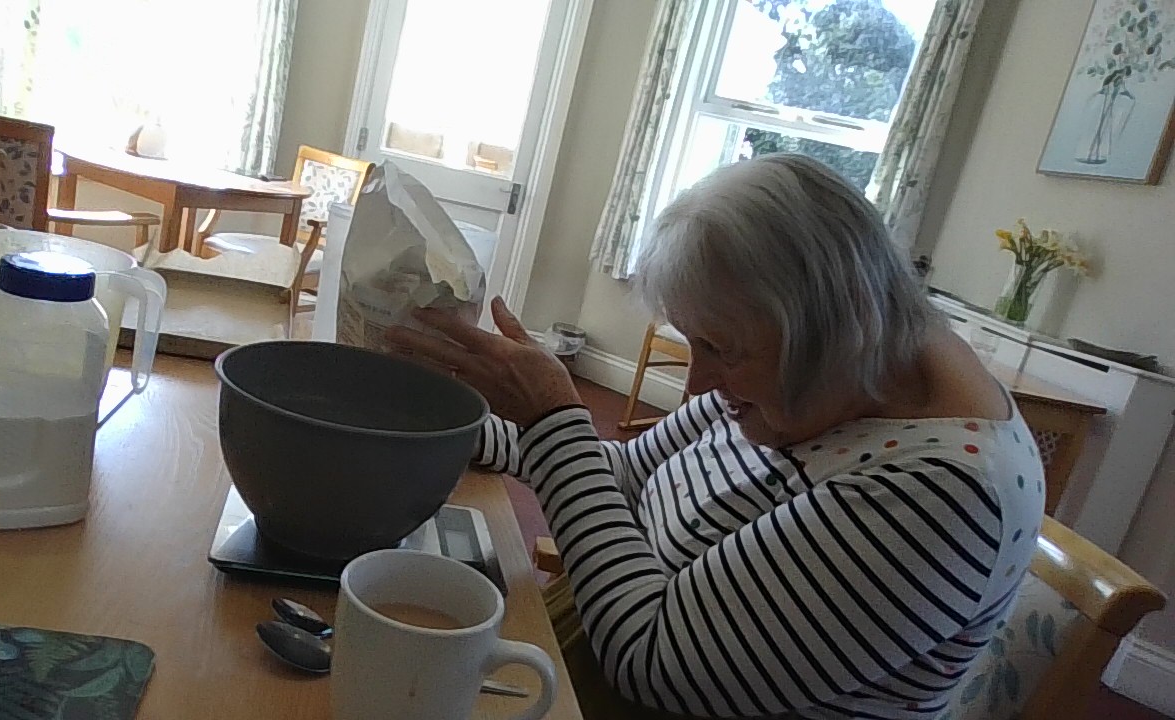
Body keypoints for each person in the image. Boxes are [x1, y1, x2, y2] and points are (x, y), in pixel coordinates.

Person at [387, 153, 1044, 719]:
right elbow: (624, 475)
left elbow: (652, 659)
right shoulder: (816, 384)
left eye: (720, 348)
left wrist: (556, 418)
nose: (698, 384)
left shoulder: (944, 495)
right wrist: (463, 423)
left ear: (835, 328)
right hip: (580, 654)